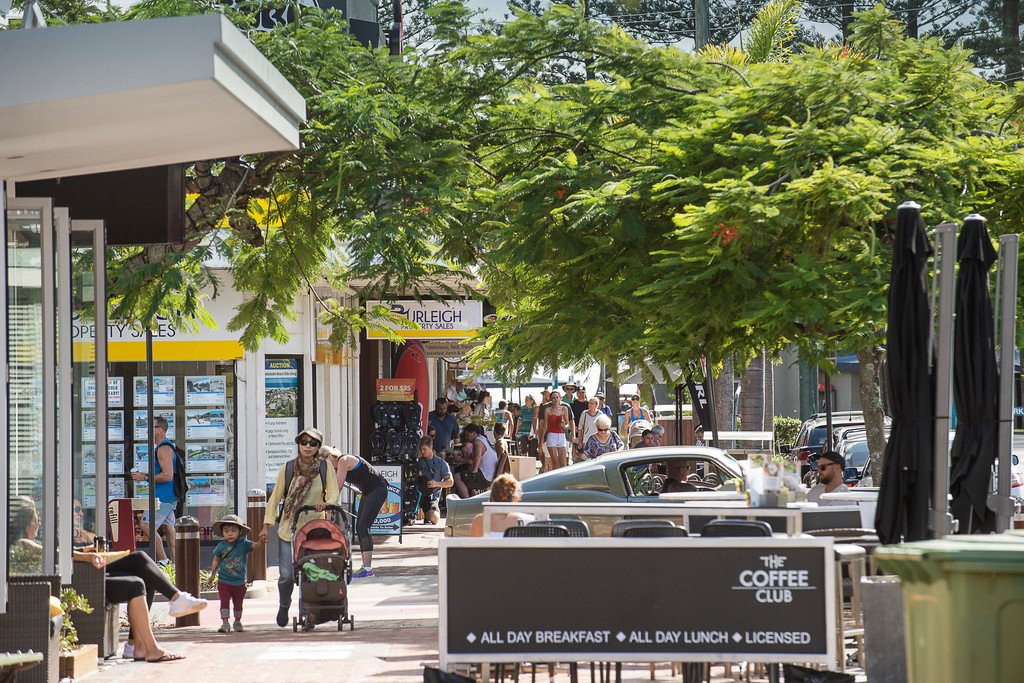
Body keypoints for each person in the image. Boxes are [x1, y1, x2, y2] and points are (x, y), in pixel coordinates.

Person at [260, 427, 339, 627]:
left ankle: (309, 613)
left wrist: (327, 503)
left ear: (318, 447)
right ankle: (284, 605)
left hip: (315, 530)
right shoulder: (288, 468)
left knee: (311, 573)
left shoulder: (325, 467)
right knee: (286, 576)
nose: (307, 446)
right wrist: (266, 525)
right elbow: (275, 498)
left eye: (313, 443)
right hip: (289, 529)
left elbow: (333, 492)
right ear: (298, 444)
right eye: (304, 442)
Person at [323, 446, 389, 579]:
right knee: (360, 527)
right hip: (368, 491)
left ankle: (368, 569)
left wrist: (328, 505)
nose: (324, 466)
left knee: (363, 527)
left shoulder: (343, 460)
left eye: (323, 462)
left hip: (377, 489)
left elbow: (338, 487)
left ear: (330, 457)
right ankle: (366, 567)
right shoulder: (336, 467)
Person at [131, 415, 178, 564]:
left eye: (151, 427)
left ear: (160, 430)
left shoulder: (164, 448)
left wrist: (144, 477)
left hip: (162, 497)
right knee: (169, 528)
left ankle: (164, 561)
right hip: (168, 496)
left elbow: (167, 475)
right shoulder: (164, 447)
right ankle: (177, 564)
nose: (147, 431)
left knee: (146, 525)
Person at [208, 514, 263, 633]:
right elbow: (216, 560)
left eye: (233, 531)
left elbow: (255, 545)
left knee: (238, 603)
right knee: (224, 602)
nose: (230, 534)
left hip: (239, 581)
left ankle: (237, 621)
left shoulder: (244, 544)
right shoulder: (221, 545)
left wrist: (261, 541)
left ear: (240, 531)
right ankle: (225, 622)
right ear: (222, 532)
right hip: (224, 581)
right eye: (226, 531)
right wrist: (212, 575)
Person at [469, 474, 533, 537]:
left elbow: (472, 543)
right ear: (515, 499)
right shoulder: (526, 520)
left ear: (492, 497)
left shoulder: (480, 520)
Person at [416, 437, 453, 525]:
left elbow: (450, 482)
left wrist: (436, 484)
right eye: (421, 450)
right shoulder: (417, 462)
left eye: (424, 449)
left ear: (431, 447)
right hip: (416, 495)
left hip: (431, 497)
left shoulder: (441, 463)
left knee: (434, 517)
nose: (422, 452)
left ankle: (427, 514)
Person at [539, 390, 574, 470]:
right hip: (551, 435)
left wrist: (564, 426)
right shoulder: (548, 410)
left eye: (557, 397)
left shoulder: (564, 408)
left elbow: (568, 424)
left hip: (562, 436)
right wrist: (541, 439)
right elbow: (545, 425)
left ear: (560, 398)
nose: (555, 399)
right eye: (553, 398)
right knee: (555, 463)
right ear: (551, 399)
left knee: (563, 464)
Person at [516, 394, 539, 464]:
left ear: (531, 401)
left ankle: (531, 465)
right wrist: (516, 432)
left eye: (527, 400)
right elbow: (519, 420)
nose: (526, 401)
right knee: (523, 447)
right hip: (523, 431)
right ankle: (524, 464)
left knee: (532, 451)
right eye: (525, 400)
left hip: (533, 431)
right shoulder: (522, 409)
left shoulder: (536, 408)